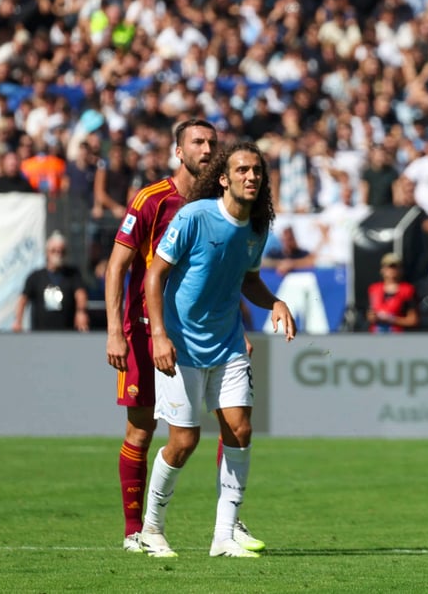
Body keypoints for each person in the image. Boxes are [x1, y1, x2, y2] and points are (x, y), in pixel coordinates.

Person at [103, 119, 265, 556]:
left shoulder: (223, 203)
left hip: (205, 335)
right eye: (198, 142)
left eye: (213, 142)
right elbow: (118, 265)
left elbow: (223, 275)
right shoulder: (154, 199)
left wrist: (238, 327)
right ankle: (136, 529)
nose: (208, 148)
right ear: (179, 151)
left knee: (232, 422)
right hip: (145, 330)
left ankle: (228, 524)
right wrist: (115, 331)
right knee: (143, 428)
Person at [140, 141, 296, 559]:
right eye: (243, 170)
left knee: (240, 431)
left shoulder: (258, 227)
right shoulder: (194, 216)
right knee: (184, 442)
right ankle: (151, 529)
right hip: (181, 344)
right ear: (224, 178)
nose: (251, 177)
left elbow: (248, 279)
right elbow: (155, 276)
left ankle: (223, 536)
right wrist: (159, 335)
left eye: (257, 171)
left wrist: (275, 302)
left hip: (227, 343)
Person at [13, 232, 89, 332]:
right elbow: (23, 299)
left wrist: (81, 312)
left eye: (61, 251)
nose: (58, 254)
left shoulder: (72, 274)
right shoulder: (35, 277)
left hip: (67, 333)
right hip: (40, 334)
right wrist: (18, 321)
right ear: (47, 252)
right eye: (54, 251)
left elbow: (80, 294)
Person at [367, 253, 419, 333]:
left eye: (395, 267)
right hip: (376, 335)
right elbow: (369, 313)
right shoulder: (374, 289)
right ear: (382, 270)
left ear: (401, 270)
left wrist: (391, 319)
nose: (391, 270)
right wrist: (371, 317)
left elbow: (413, 320)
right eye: (388, 267)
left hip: (397, 336)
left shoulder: (408, 290)